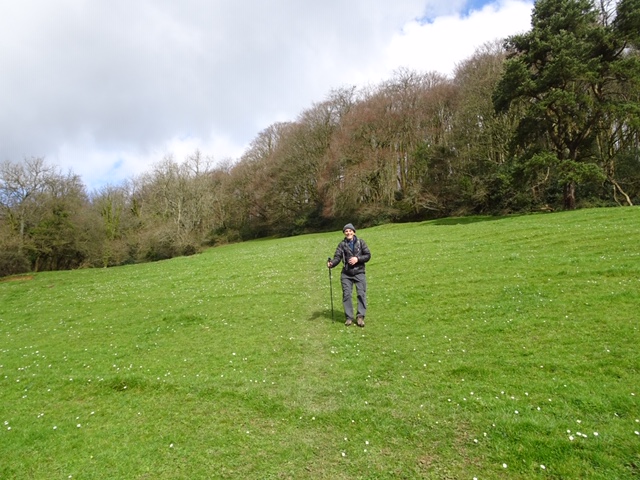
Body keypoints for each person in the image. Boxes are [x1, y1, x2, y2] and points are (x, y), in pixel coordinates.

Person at [327, 223, 371, 327]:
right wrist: (332, 263)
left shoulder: (361, 242)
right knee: (346, 294)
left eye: (350, 231)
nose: (348, 232)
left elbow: (368, 255)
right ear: (344, 233)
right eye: (346, 231)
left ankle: (360, 317)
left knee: (361, 294)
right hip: (346, 274)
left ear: (354, 232)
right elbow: (337, 257)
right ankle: (349, 317)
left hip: (359, 272)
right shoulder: (342, 244)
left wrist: (357, 259)